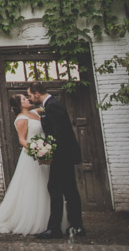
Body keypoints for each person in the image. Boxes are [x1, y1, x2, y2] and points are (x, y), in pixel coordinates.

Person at [0, 94, 66, 235]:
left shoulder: (34, 112)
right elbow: (22, 140)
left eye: (26, 97)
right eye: (24, 99)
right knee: (33, 186)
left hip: (45, 153)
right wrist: (37, 150)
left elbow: (48, 108)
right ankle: (33, 220)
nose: (27, 99)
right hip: (33, 156)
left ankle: (52, 221)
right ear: (19, 105)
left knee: (47, 185)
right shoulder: (21, 119)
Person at [27, 82, 85, 239]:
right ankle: (76, 226)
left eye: (30, 95)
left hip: (62, 155)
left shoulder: (52, 105)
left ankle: (55, 229)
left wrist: (48, 153)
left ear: (37, 93)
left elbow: (58, 134)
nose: (30, 98)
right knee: (69, 190)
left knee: (55, 188)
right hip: (63, 154)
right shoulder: (51, 105)